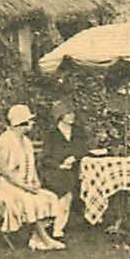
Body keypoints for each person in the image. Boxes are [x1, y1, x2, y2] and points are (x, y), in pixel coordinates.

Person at [0, 103, 69, 251]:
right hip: (4, 186)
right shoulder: (5, 141)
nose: (32, 123)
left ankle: (36, 238)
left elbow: (31, 168)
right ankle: (45, 239)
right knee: (28, 199)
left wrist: (35, 182)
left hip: (23, 184)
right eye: (30, 121)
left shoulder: (26, 142)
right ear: (21, 123)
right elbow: (5, 172)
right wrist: (25, 187)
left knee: (48, 197)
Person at [38, 102, 89, 238]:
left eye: (72, 113)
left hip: (76, 169)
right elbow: (45, 158)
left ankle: (56, 224)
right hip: (54, 171)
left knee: (76, 182)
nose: (72, 116)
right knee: (65, 187)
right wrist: (60, 165)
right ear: (59, 116)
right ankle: (57, 226)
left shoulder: (78, 131)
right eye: (68, 113)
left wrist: (74, 158)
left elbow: (84, 149)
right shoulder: (52, 135)